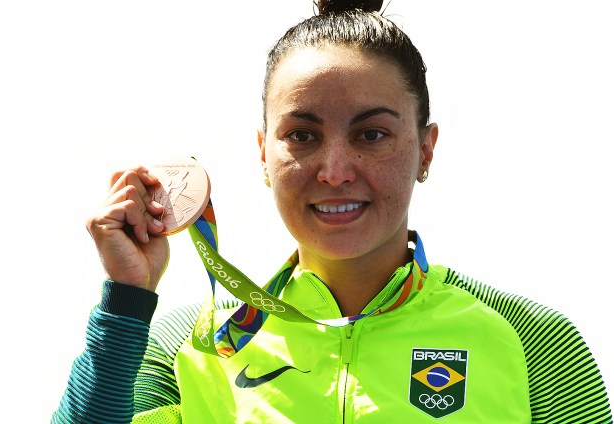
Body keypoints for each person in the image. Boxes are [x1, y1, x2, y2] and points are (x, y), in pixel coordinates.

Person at [52, 0, 612, 422]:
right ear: (264, 155)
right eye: (302, 134)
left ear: (426, 149)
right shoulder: (191, 344)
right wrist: (127, 301)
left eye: (372, 134)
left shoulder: (534, 340)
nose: (336, 169)